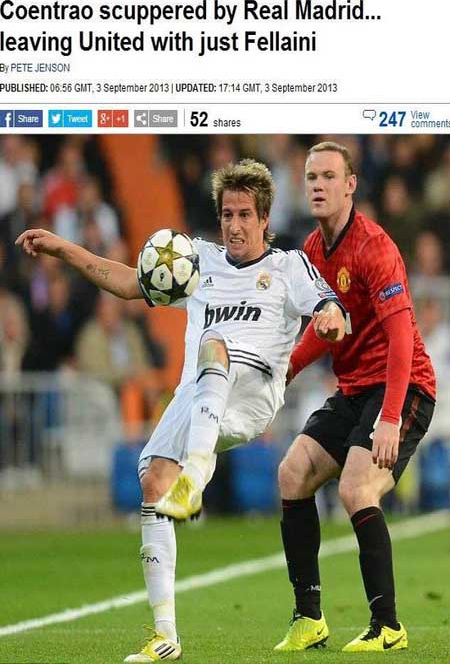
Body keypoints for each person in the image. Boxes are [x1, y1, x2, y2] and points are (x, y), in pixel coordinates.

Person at [16, 158, 346, 664]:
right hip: (197, 394)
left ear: (264, 219)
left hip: (253, 393)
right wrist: (63, 249)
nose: (234, 225)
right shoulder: (196, 262)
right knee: (152, 481)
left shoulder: (287, 267)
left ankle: (195, 475)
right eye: (227, 214)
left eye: (245, 215)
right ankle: (164, 635)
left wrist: (328, 318)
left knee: (213, 343)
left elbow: (329, 305)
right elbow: (128, 282)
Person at [274, 142, 436, 654]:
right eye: (311, 177)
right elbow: (326, 326)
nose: (318, 185)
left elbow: (401, 337)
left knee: (355, 487)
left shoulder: (374, 247)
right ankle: (309, 619)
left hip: (403, 386)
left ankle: (388, 626)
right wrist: (287, 369)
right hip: (354, 388)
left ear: (350, 186)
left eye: (328, 176)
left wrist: (389, 418)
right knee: (292, 473)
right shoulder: (312, 251)